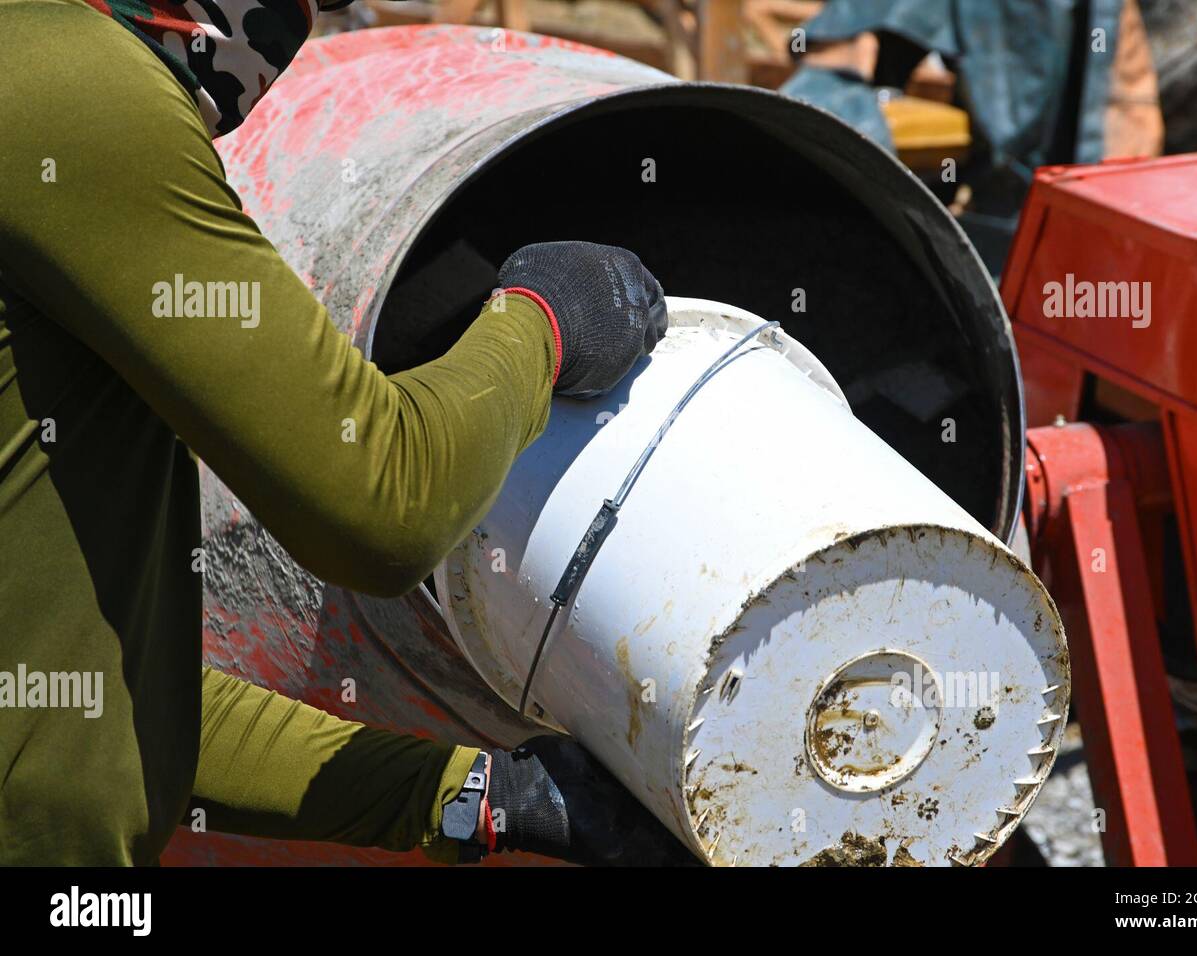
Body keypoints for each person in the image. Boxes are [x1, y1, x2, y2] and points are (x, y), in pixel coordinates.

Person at [0, 0, 687, 865]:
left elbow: (85, 706)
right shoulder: (71, 85)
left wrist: (475, 795)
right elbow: (382, 501)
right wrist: (546, 321)